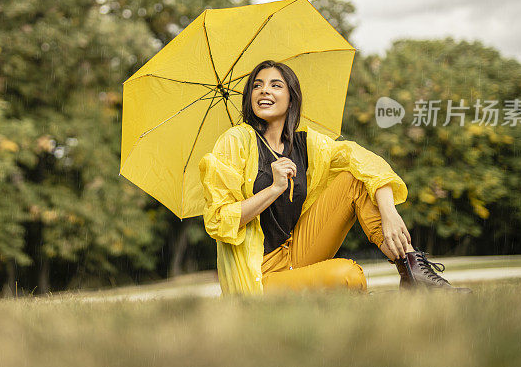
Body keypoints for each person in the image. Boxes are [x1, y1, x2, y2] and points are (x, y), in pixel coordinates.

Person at [198, 59, 470, 296]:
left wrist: (388, 212)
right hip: (260, 273)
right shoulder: (236, 141)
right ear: (249, 96)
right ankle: (339, 291)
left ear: (291, 97)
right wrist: (274, 188)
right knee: (348, 276)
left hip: (297, 252)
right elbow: (220, 222)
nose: (264, 90)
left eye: (275, 85)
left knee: (355, 179)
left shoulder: (305, 144)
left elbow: (363, 161)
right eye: (257, 85)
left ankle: (411, 270)